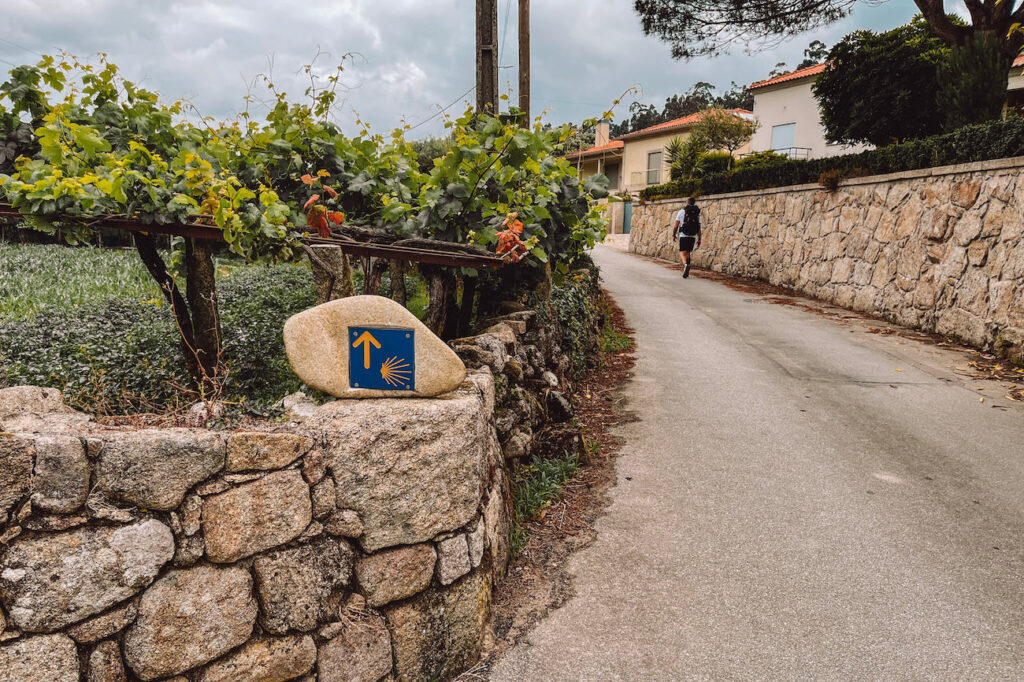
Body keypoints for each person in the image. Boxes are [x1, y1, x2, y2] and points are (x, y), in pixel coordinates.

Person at [672, 197, 701, 278]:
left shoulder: (681, 212)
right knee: (688, 252)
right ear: (694, 203)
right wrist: (699, 239)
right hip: (693, 235)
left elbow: (676, 225)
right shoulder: (697, 213)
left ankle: (685, 265)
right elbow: (698, 227)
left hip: (683, 234)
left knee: (682, 252)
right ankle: (687, 265)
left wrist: (673, 235)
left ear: (687, 202)